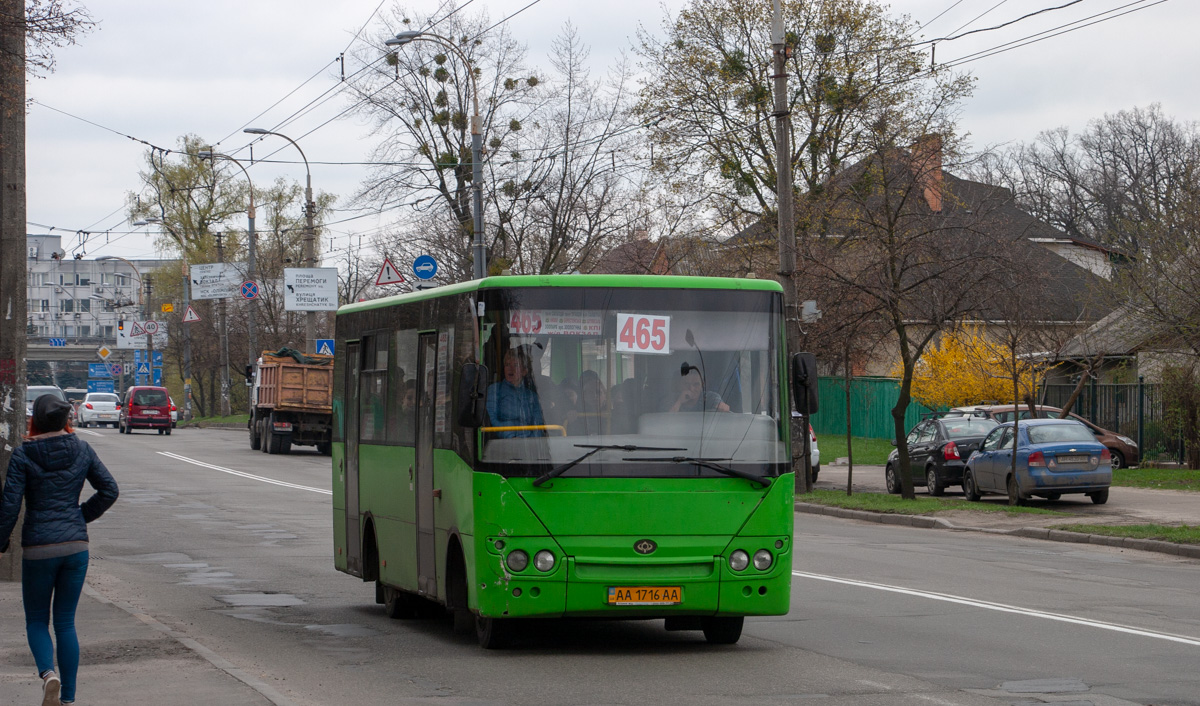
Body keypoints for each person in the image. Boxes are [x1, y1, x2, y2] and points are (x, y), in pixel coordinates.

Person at [0, 394, 119, 706]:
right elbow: (109, 490)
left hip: (39, 547)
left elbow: (10, 506)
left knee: (37, 620)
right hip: (75, 547)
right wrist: (80, 516)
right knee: (65, 621)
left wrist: (1, 542)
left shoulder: (24, 453)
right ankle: (67, 698)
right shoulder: (81, 448)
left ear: (35, 420)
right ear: (66, 420)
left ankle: (47, 674)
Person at [486, 347, 545, 438]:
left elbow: (538, 423)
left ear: (524, 371)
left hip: (529, 445)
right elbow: (491, 419)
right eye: (507, 364)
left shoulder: (532, 396)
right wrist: (510, 437)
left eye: (516, 365)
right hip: (502, 443)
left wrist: (532, 442)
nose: (511, 368)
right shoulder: (495, 390)